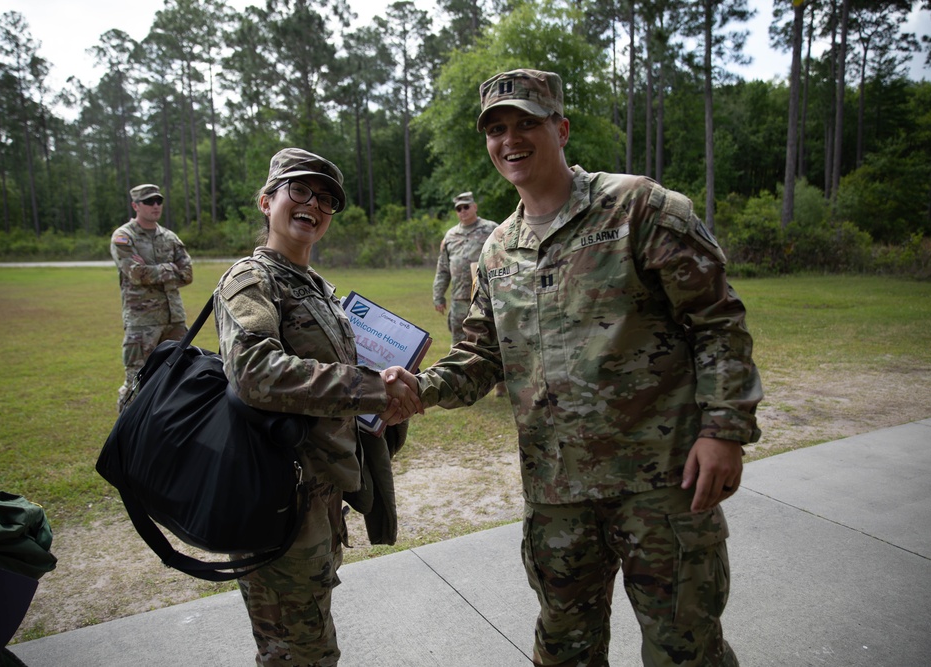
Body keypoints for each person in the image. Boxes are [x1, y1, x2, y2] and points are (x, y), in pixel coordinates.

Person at [385, 69, 763, 666]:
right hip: (557, 493)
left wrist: (724, 431)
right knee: (564, 650)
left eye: (527, 123)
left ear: (560, 129)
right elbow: (482, 356)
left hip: (660, 487)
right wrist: (418, 390)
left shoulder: (638, 206)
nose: (511, 139)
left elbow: (717, 321)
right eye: (497, 129)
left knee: (685, 650)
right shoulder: (496, 248)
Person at [213, 147, 420, 666]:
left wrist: (383, 408)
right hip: (276, 501)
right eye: (299, 191)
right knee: (298, 653)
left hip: (319, 498)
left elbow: (332, 391)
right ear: (267, 202)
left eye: (326, 199)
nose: (314, 204)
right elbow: (255, 373)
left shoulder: (317, 289)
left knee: (306, 641)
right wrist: (372, 388)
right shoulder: (250, 280)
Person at [110, 184, 193, 412]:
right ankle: (124, 435)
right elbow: (135, 273)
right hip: (142, 322)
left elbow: (187, 274)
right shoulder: (124, 237)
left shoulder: (170, 237)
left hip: (174, 320)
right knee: (136, 382)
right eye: (148, 202)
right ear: (135, 205)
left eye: (158, 200)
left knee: (178, 378)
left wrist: (153, 269)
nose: (155, 205)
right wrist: (169, 268)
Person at [432, 192, 505, 397]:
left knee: (494, 339)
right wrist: (438, 296)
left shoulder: (492, 229)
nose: (463, 211)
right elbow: (443, 268)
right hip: (459, 299)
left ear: (474, 207)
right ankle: (460, 386)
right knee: (459, 342)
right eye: (459, 208)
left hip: (487, 296)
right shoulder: (450, 236)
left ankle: (501, 383)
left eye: (466, 207)